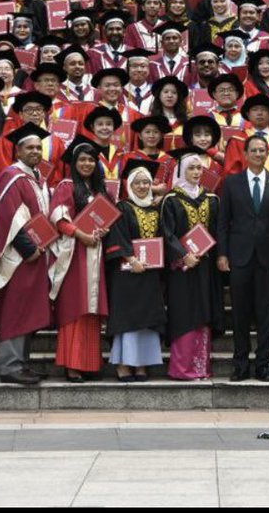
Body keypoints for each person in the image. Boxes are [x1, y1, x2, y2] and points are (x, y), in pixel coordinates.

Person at [216, 134, 269, 382]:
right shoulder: (231, 183)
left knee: (266, 314)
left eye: (262, 150)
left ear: (267, 154)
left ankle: (262, 365)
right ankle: (240, 365)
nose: (259, 154)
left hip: (268, 259)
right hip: (239, 257)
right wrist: (222, 253)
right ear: (245, 154)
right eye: (254, 150)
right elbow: (223, 222)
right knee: (240, 314)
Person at [0, 123, 53, 386]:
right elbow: (9, 216)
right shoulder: (11, 176)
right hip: (19, 257)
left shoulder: (36, 178)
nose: (35, 151)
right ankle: (10, 366)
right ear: (18, 151)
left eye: (39, 147)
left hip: (37, 253)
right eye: (30, 148)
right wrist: (29, 249)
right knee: (15, 311)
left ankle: (22, 364)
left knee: (28, 310)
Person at [47, 138, 111, 382]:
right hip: (74, 254)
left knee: (91, 309)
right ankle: (72, 364)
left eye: (91, 160)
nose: (87, 164)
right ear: (73, 163)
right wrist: (82, 235)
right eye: (82, 159)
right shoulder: (66, 186)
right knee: (75, 307)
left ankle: (89, 363)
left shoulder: (99, 190)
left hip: (96, 252)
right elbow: (58, 218)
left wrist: (103, 230)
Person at [159, 150, 222, 380]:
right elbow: (167, 233)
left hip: (205, 267)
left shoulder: (211, 199)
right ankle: (182, 368)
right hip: (181, 269)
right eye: (191, 168)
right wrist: (183, 255)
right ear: (181, 171)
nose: (196, 172)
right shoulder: (171, 200)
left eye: (199, 168)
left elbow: (218, 231)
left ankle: (201, 367)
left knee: (203, 313)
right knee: (184, 314)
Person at [105, 160, 166, 382]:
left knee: (147, 319)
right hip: (127, 274)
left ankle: (142, 364)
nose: (142, 186)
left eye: (146, 182)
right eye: (137, 183)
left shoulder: (156, 209)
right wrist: (131, 259)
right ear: (129, 185)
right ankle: (123, 364)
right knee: (127, 320)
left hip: (150, 273)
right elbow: (117, 237)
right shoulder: (122, 207)